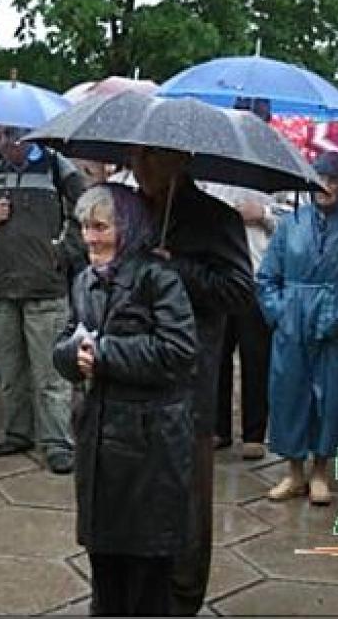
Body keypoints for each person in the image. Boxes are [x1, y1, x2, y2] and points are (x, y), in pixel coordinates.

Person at [53, 183, 197, 616]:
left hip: (149, 446)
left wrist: (105, 353)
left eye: (100, 227)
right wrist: (72, 356)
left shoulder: (159, 278)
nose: (90, 238)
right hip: (99, 440)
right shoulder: (83, 280)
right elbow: (64, 341)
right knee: (106, 561)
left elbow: (179, 351)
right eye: (84, 227)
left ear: (128, 229)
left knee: (146, 564)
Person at [128, 146, 253, 616]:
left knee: (187, 496)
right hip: (137, 372)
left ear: (177, 160)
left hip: (190, 377)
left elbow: (239, 292)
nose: (138, 168)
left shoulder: (216, 218)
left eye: (149, 159)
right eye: (134, 158)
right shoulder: (134, 210)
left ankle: (183, 596)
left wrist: (175, 266)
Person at [257, 152, 338, 505]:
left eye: (333, 182)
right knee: (288, 394)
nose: (325, 187)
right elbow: (266, 278)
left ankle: (321, 470)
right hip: (292, 325)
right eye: (320, 180)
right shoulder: (289, 225)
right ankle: (294, 471)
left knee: (331, 397)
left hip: (334, 325)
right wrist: (280, 313)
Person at [0, 124, 84, 474]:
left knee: (51, 375)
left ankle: (58, 442)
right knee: (10, 370)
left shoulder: (58, 169)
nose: (4, 142)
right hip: (2, 288)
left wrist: (62, 253)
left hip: (45, 289)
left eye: (10, 134)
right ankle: (18, 431)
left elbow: (86, 215)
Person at [201, 182, 282, 460]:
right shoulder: (209, 183)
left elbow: (291, 221)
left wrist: (263, 213)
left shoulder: (271, 181)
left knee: (256, 357)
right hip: (221, 278)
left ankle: (254, 433)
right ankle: (218, 428)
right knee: (218, 355)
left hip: (258, 277)